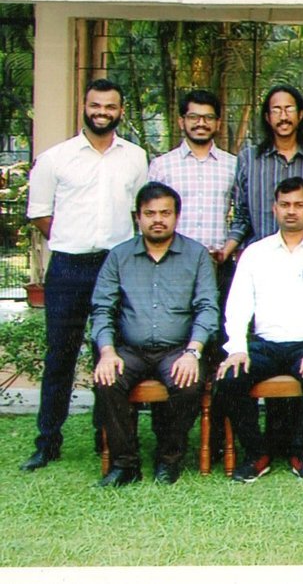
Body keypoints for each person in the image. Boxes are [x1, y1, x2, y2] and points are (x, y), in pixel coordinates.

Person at [22, 77, 149, 472]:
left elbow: (139, 213)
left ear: (120, 111)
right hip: (68, 267)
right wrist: (71, 239)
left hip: (116, 267)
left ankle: (105, 435)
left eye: (110, 107)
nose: (102, 113)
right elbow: (40, 213)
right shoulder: (56, 158)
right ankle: (48, 441)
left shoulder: (135, 158)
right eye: (96, 105)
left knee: (109, 353)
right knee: (60, 354)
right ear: (85, 107)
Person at [213, 175, 303, 483]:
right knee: (230, 378)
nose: (291, 211)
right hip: (265, 344)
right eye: (285, 204)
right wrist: (237, 349)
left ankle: (302, 453)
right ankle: (256, 453)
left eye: (299, 205)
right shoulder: (255, 253)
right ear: (274, 209)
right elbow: (237, 306)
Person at [89, 182, 220, 486]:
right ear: (138, 217)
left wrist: (193, 352)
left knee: (188, 383)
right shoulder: (119, 256)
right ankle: (125, 464)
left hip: (178, 349)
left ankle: (168, 459)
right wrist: (107, 352)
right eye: (150, 213)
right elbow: (102, 308)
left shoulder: (196, 255)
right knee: (107, 380)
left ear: (176, 216)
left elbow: (207, 308)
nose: (158, 220)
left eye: (165, 213)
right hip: (130, 350)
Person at [221, 84, 303, 261]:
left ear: (300, 114)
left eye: (289, 109)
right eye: (276, 110)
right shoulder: (249, 159)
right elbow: (241, 216)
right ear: (267, 117)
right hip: (260, 258)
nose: (283, 117)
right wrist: (227, 250)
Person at [147, 88, 236, 267]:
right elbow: (149, 215)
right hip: (171, 261)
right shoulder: (162, 165)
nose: (201, 123)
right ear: (182, 122)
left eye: (208, 118)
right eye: (193, 117)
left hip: (217, 260)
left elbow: (242, 214)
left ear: (218, 123)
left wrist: (228, 249)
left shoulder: (233, 165)